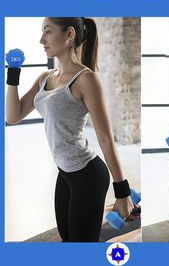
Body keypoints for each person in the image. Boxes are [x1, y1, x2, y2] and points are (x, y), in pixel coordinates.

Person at [6, 17, 133, 242]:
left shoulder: (86, 79)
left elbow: (105, 138)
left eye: (47, 32)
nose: (41, 40)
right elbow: (13, 116)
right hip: (65, 174)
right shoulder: (45, 78)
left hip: (88, 175)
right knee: (68, 240)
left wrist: (122, 192)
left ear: (69, 34)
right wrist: (13, 74)